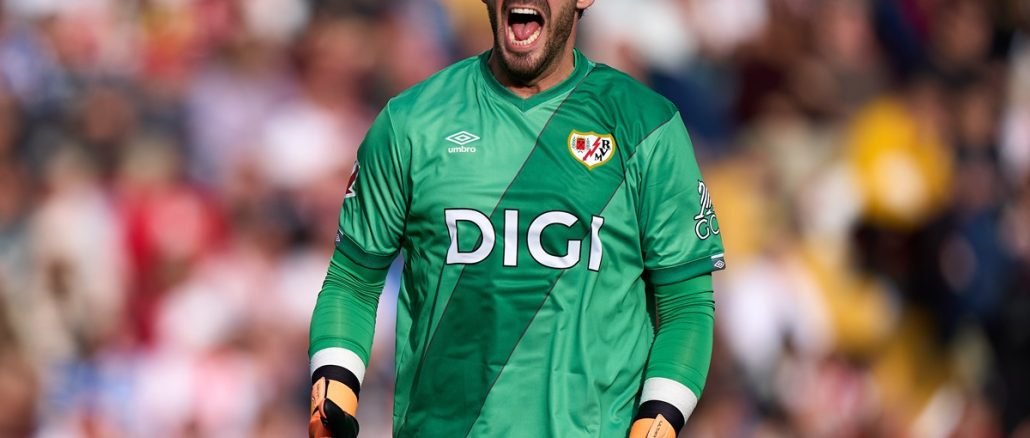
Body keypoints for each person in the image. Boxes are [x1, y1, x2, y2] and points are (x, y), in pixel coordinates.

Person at [307, 0, 725, 436]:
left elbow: (686, 307)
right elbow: (353, 282)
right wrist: (332, 392)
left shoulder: (646, 126)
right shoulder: (410, 122)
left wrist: (657, 423)